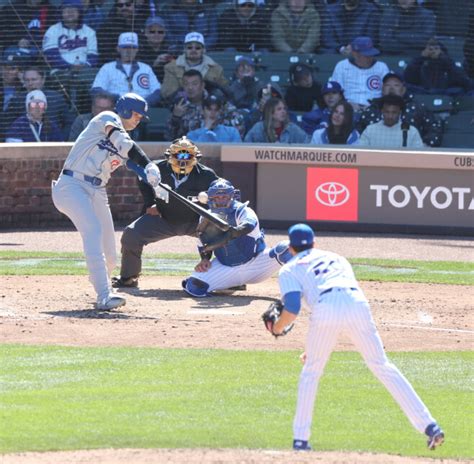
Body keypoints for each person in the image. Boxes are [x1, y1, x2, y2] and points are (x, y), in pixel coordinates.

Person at [265, 223, 445, 452]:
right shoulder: (336, 258)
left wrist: (277, 329)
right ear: (314, 243)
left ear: (290, 248)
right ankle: (430, 426)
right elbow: (342, 304)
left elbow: (292, 309)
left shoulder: (289, 269)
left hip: (326, 309)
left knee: (311, 372)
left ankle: (301, 440)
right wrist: (314, 347)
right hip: (357, 304)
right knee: (382, 365)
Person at [51, 93, 163, 310]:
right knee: (92, 230)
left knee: (110, 255)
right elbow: (124, 143)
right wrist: (148, 163)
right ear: (125, 110)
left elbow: (134, 163)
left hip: (97, 190)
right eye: (137, 114)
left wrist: (150, 174)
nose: (139, 119)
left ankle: (101, 283)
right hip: (71, 185)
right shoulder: (106, 118)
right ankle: (104, 295)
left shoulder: (125, 144)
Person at [112, 136, 218, 288]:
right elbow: (143, 180)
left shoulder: (207, 175)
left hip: (196, 222)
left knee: (226, 234)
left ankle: (230, 279)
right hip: (165, 218)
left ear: (196, 157)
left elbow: (219, 197)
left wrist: (209, 218)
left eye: (188, 156)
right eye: (178, 156)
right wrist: (150, 203)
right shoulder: (157, 169)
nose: (183, 161)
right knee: (131, 235)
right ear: (169, 156)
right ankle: (129, 277)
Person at [182, 178, 292, 297]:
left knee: (287, 248)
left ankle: (295, 289)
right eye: (217, 197)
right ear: (210, 198)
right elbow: (203, 244)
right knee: (194, 286)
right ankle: (231, 284)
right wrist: (205, 259)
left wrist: (230, 234)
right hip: (226, 267)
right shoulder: (206, 217)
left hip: (256, 263)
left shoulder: (243, 210)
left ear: (231, 196)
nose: (221, 201)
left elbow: (248, 225)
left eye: (224, 197)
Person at [357, 72, 443, 147]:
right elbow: (359, 133)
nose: (391, 88)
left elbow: (434, 126)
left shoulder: (418, 108)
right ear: (382, 89)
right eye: (387, 85)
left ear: (403, 89)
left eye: (396, 85)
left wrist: (426, 145)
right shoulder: (372, 109)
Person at [91, 32, 161, 106]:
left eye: (132, 48)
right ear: (118, 49)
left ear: (137, 49)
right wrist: (117, 99)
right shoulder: (107, 68)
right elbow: (96, 90)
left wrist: (143, 103)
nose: (129, 51)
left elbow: (157, 92)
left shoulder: (146, 68)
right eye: (125, 47)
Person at [160, 32, 228, 102]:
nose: (193, 50)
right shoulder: (171, 67)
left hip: (208, 106)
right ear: (184, 50)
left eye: (197, 48)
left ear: (204, 50)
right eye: (189, 47)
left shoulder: (216, 69)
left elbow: (224, 92)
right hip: (181, 105)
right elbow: (168, 94)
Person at [331, 36, 389, 111]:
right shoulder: (342, 66)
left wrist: (375, 106)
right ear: (355, 54)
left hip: (375, 110)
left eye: (371, 54)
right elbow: (335, 92)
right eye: (366, 55)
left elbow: (388, 93)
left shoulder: (382, 67)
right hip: (347, 109)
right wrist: (346, 104)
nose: (370, 58)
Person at [4, 66, 69, 133]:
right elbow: (6, 123)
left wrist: (61, 140)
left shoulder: (56, 98)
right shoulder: (17, 100)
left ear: (43, 80)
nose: (30, 83)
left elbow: (68, 122)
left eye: (34, 79)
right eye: (27, 80)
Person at [42, 0, 98, 74]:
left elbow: (93, 56)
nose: (69, 13)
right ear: (61, 13)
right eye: (66, 10)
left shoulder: (89, 32)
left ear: (79, 13)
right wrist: (70, 66)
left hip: (85, 71)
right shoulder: (53, 30)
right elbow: (51, 56)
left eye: (73, 10)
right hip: (60, 71)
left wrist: (84, 67)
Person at [404, 37, 471, 96]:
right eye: (430, 49)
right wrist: (421, 58)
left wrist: (443, 58)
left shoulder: (448, 66)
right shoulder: (419, 65)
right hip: (423, 98)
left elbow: (465, 82)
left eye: (436, 48)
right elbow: (407, 79)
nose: (433, 51)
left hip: (446, 99)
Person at [358, 94, 424, 148]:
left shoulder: (411, 131)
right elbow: (362, 154)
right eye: (387, 112)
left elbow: (419, 157)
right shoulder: (370, 130)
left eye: (394, 112)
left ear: (400, 112)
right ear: (382, 111)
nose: (390, 116)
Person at [96, 0, 148, 64]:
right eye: (120, 5)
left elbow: (144, 51)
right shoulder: (106, 28)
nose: (124, 8)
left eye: (128, 4)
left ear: (134, 6)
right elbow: (105, 53)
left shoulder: (140, 25)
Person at [244, 97, 310, 143]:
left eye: (284, 109)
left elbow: (307, 142)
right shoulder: (258, 128)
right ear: (270, 112)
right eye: (279, 109)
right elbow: (246, 145)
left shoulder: (292, 128)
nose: (283, 111)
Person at [138, 16, 174, 83]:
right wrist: (154, 64)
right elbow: (139, 75)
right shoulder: (139, 50)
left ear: (165, 33)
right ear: (145, 33)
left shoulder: (170, 49)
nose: (156, 34)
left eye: (160, 32)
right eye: (152, 32)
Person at [0, 52, 23, 141]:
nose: (7, 72)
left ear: (19, 71)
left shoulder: (24, 88)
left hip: (16, 131)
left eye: (12, 69)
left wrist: (23, 81)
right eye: (5, 68)